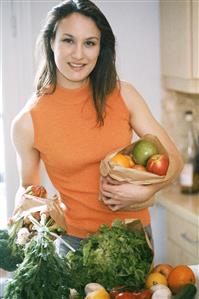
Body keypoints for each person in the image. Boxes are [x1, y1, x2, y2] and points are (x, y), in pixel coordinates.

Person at [11, 0, 183, 253]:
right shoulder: (28, 121)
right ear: (51, 42)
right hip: (73, 245)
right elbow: (28, 187)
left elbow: (175, 160)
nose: (79, 54)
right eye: (68, 40)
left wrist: (146, 192)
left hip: (132, 237)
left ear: (100, 47)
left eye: (89, 43)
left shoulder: (124, 94)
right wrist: (26, 210)